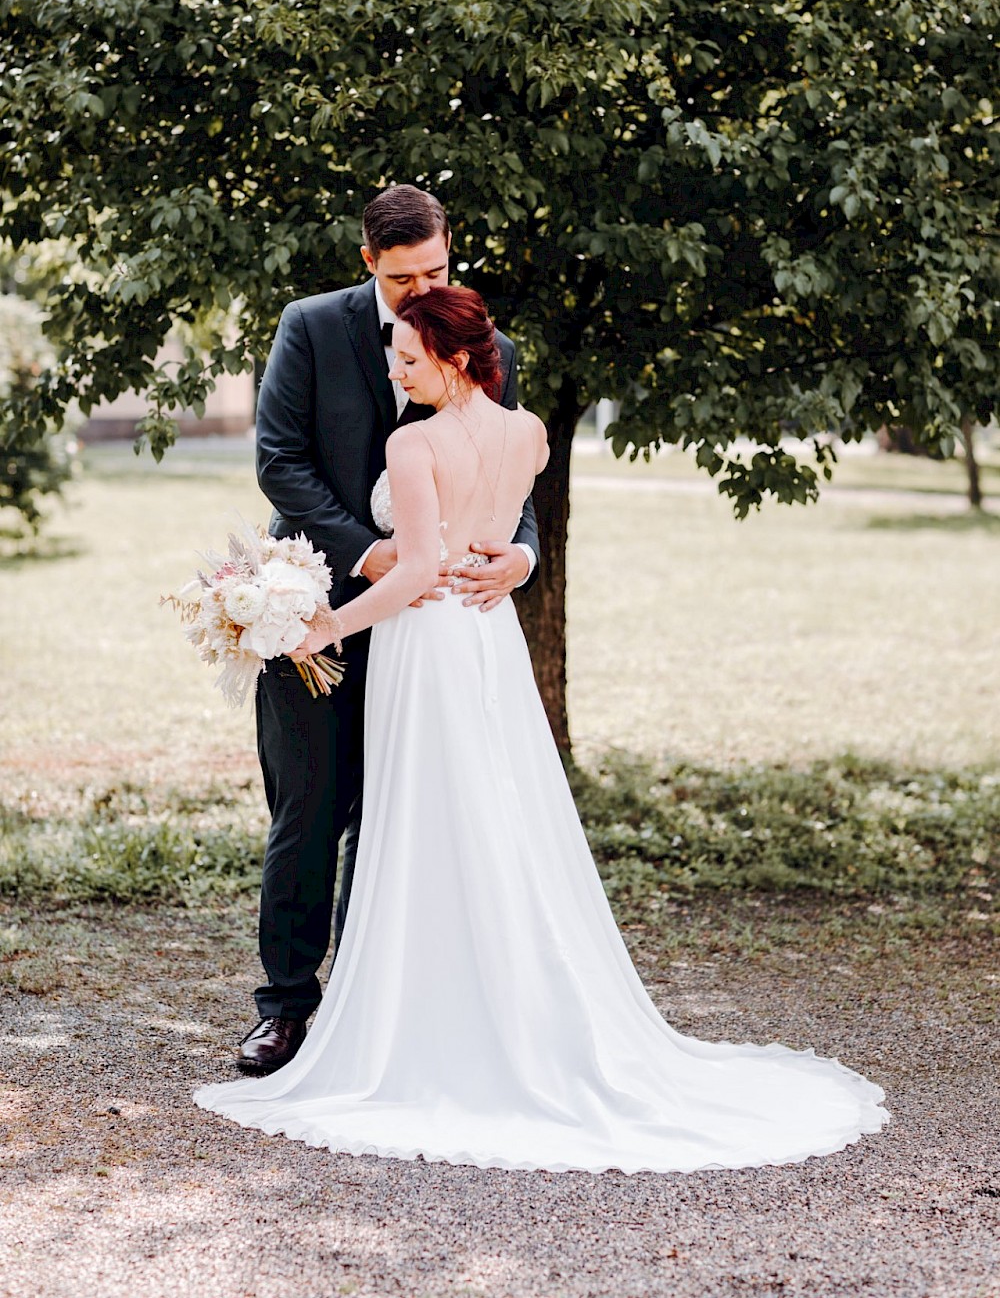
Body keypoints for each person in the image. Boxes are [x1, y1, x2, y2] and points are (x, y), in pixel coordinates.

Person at [196, 287, 889, 1173]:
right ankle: (488, 1000)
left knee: (423, 818)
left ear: (450, 360)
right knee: (490, 814)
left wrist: (327, 624)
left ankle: (423, 1018)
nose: (393, 369)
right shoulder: (526, 432)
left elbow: (414, 572)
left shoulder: (413, 441)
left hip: (426, 643)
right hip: (489, 641)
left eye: (407, 358)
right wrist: (501, 561)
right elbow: (486, 531)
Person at [239, 186, 538, 1075]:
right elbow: (279, 462)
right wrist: (367, 555)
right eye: (403, 276)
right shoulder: (310, 326)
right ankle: (287, 1006)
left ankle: (380, 1007)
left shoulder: (490, 347)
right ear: (367, 260)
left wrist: (521, 556)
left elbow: (505, 474)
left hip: (441, 633)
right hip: (330, 610)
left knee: (404, 820)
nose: (420, 292)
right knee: (307, 812)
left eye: (437, 271)